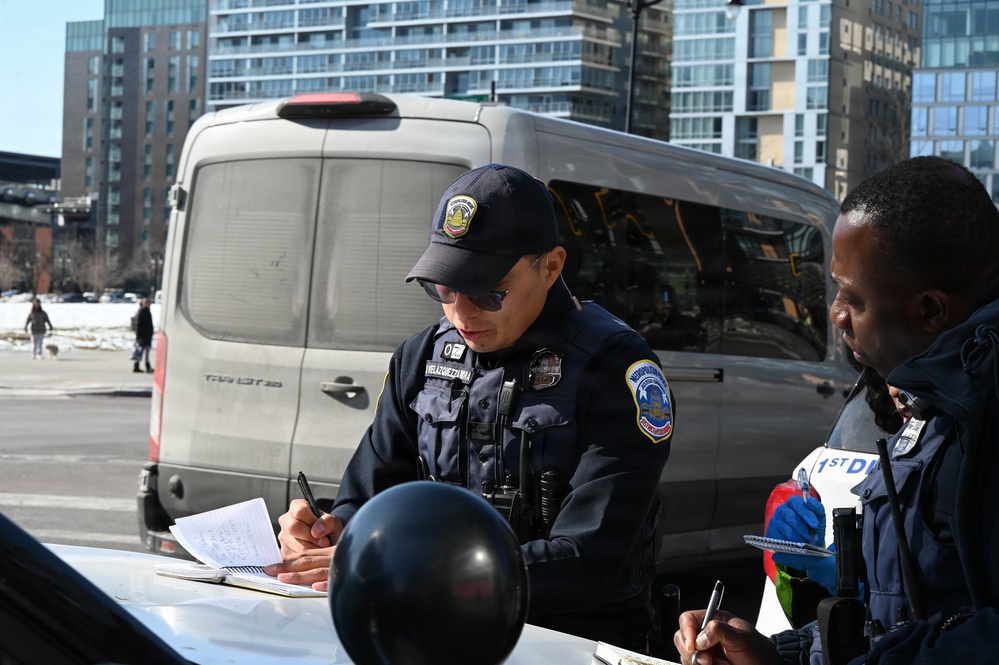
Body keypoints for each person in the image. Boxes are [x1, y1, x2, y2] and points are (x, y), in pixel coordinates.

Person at [267, 164, 675, 651]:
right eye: (442, 286)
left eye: (485, 289)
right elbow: (369, 496)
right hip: (430, 632)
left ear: (551, 266)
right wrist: (328, 532)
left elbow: (588, 559)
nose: (461, 311)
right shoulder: (420, 358)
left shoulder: (614, 367)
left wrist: (412, 570)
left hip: (570, 640)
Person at [674, 156, 999, 664]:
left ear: (931, 310)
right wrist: (775, 654)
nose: (836, 314)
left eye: (854, 298)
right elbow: (890, 626)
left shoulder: (980, 427)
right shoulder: (930, 412)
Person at [132, 298, 154, 373]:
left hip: (147, 336)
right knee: (140, 351)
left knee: (146, 351)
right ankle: (136, 366)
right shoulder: (141, 312)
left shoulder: (148, 312)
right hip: (142, 336)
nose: (149, 305)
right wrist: (138, 336)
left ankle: (147, 366)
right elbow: (138, 325)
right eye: (147, 303)